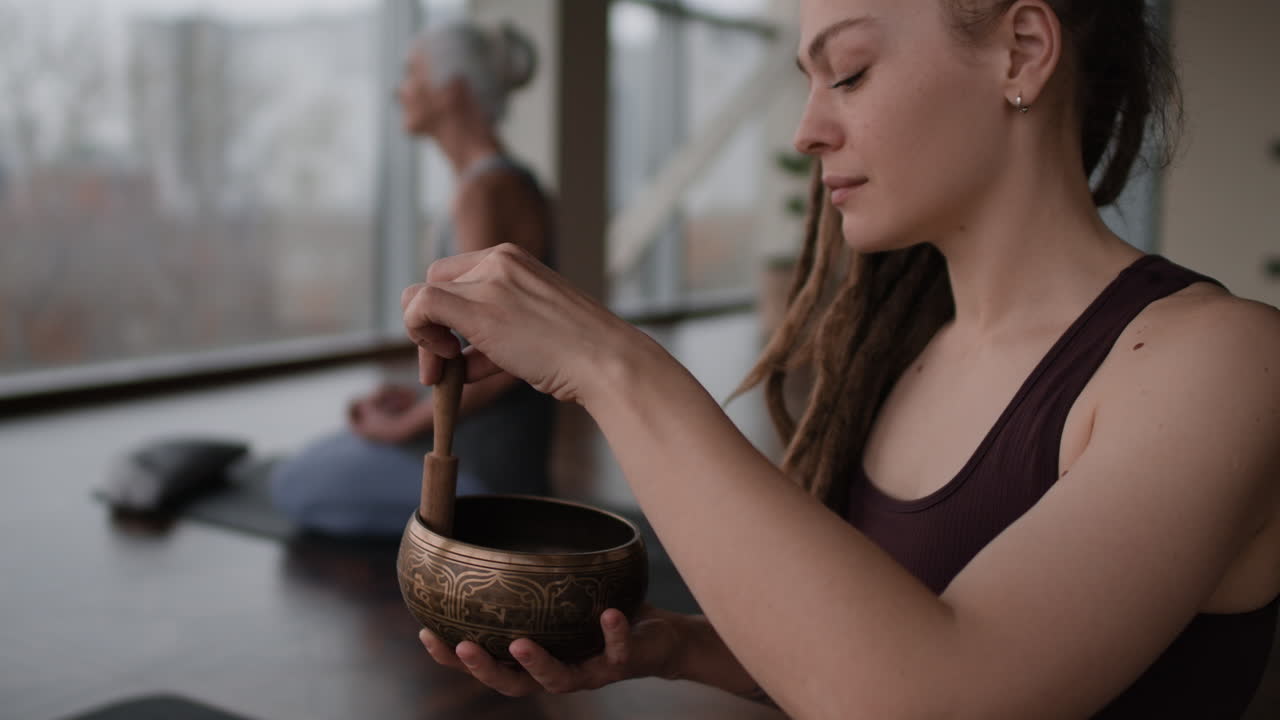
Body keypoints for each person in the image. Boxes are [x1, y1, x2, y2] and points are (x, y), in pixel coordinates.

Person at [401, 0, 1280, 717]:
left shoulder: (1222, 361)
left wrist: (616, 367)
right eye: (809, 82)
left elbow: (937, 698)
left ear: (1020, 52)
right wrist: (695, 648)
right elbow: (873, 657)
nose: (807, 131)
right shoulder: (908, 353)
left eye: (849, 73)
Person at [271, 21, 556, 537]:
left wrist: (403, 425)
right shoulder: (501, 181)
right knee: (325, 455)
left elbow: (509, 361)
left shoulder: (484, 194)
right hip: (480, 444)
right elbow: (478, 350)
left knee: (296, 481)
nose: (398, 89)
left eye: (411, 74)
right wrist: (413, 400)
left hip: (484, 468)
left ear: (451, 91)